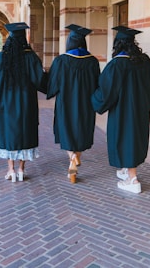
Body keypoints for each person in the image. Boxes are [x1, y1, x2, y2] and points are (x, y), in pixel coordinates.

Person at [91, 26, 150, 193]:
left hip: (122, 111)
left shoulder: (117, 64)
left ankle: (133, 179)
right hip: (140, 110)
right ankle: (125, 170)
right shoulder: (144, 61)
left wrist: (94, 99)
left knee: (124, 138)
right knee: (134, 139)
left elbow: (105, 91)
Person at [0, 22, 47, 182]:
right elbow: (39, 80)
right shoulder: (31, 57)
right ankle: (21, 169)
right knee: (24, 133)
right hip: (26, 102)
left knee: (8, 134)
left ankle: (11, 170)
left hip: (5, 103)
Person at [47, 24, 100, 183]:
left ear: (69, 42)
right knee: (81, 132)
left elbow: (53, 84)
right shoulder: (92, 61)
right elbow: (98, 84)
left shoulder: (61, 60)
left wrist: (49, 90)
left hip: (66, 103)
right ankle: (74, 162)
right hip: (86, 104)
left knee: (67, 131)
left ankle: (72, 159)